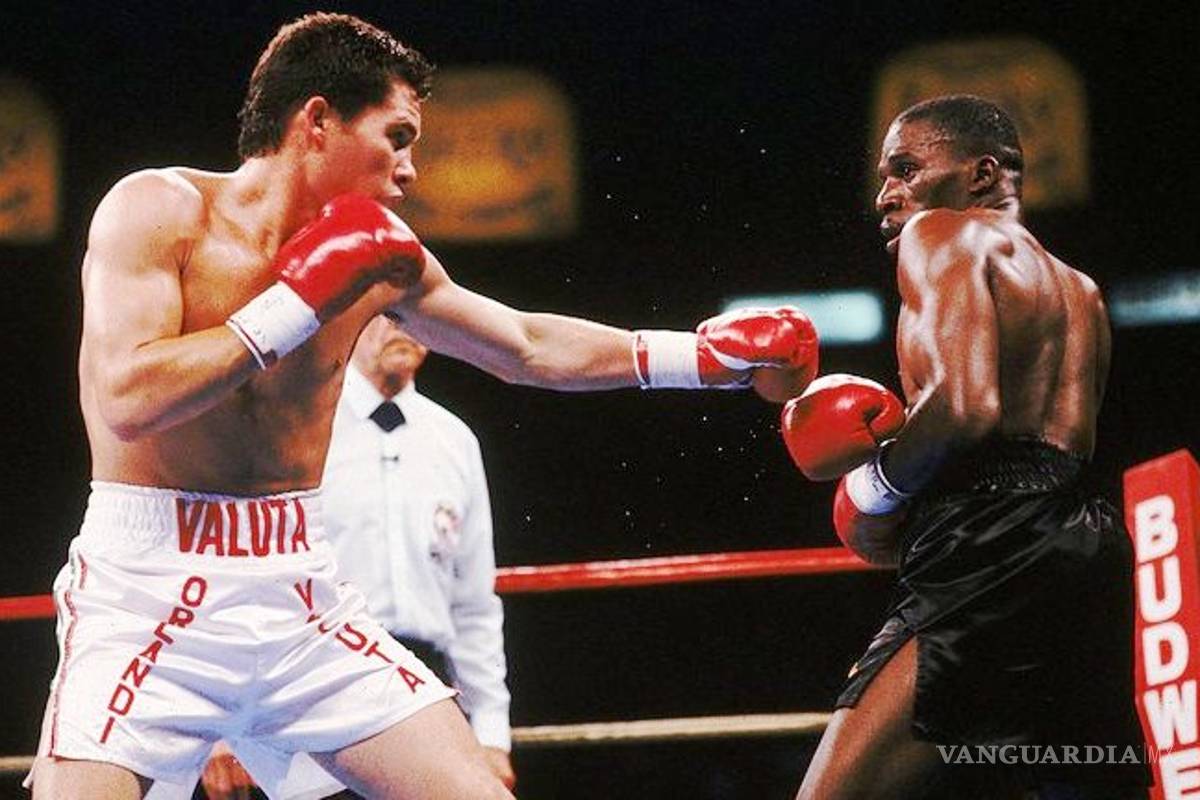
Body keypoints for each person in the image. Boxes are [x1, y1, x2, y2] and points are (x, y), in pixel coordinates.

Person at [29, 11, 819, 800]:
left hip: (298, 589)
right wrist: (294, 304)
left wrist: (702, 357)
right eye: (397, 137)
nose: (410, 170)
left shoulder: (381, 258)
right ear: (317, 121)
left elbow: (525, 345)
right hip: (149, 589)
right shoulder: (158, 210)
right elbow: (128, 397)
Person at [781, 95, 1149, 798]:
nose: (887, 196)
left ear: (982, 174)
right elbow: (1048, 455)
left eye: (906, 169)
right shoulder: (1082, 292)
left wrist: (873, 492)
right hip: (1086, 543)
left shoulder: (943, 235)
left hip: (986, 549)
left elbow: (964, 409)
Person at [200, 318, 517, 799]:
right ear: (349, 324)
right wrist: (220, 729)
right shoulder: (299, 430)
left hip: (425, 681)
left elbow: (474, 604)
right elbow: (244, 578)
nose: (404, 328)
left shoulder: (455, 440)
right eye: (388, 314)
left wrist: (492, 732)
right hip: (318, 675)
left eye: (413, 314)